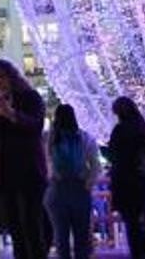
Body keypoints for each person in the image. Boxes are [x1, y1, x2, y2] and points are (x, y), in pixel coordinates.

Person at [0, 59, 46, 259]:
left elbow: (36, 126)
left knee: (31, 226)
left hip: (29, 172)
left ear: (11, 77)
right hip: (3, 175)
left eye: (1, 77)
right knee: (15, 228)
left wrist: (11, 114)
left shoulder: (30, 97)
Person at [43, 104, 99, 259]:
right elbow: (96, 165)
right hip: (80, 189)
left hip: (56, 190)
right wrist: (88, 184)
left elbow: (44, 163)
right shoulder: (84, 137)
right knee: (82, 237)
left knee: (60, 236)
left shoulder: (49, 137)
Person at [105, 96, 145, 259]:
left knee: (132, 224)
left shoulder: (120, 130)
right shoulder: (143, 130)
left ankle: (137, 254)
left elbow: (115, 156)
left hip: (126, 184)